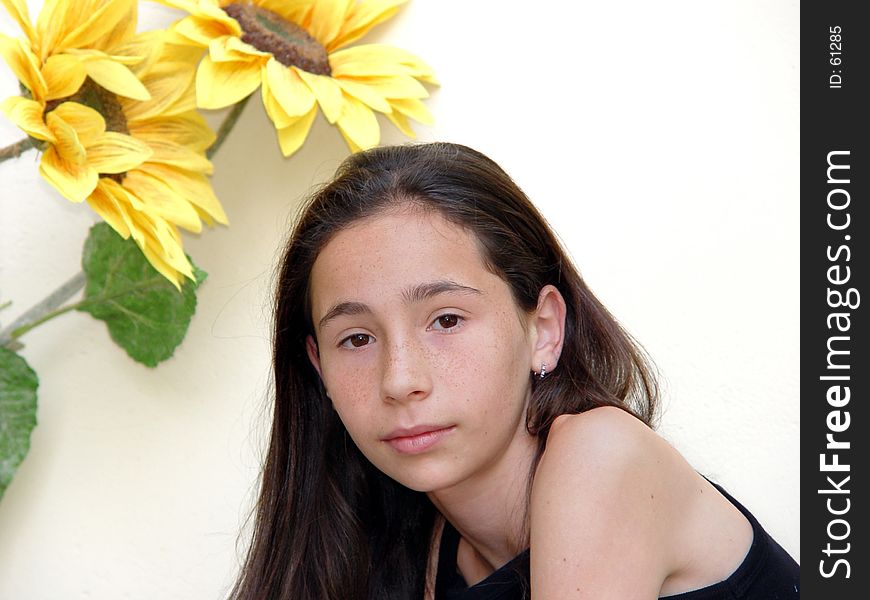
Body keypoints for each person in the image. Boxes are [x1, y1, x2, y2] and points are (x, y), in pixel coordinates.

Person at [229, 143, 799, 600]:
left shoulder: (600, 456)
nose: (399, 380)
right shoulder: (393, 540)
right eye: (356, 338)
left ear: (544, 328)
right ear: (318, 367)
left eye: (446, 320)